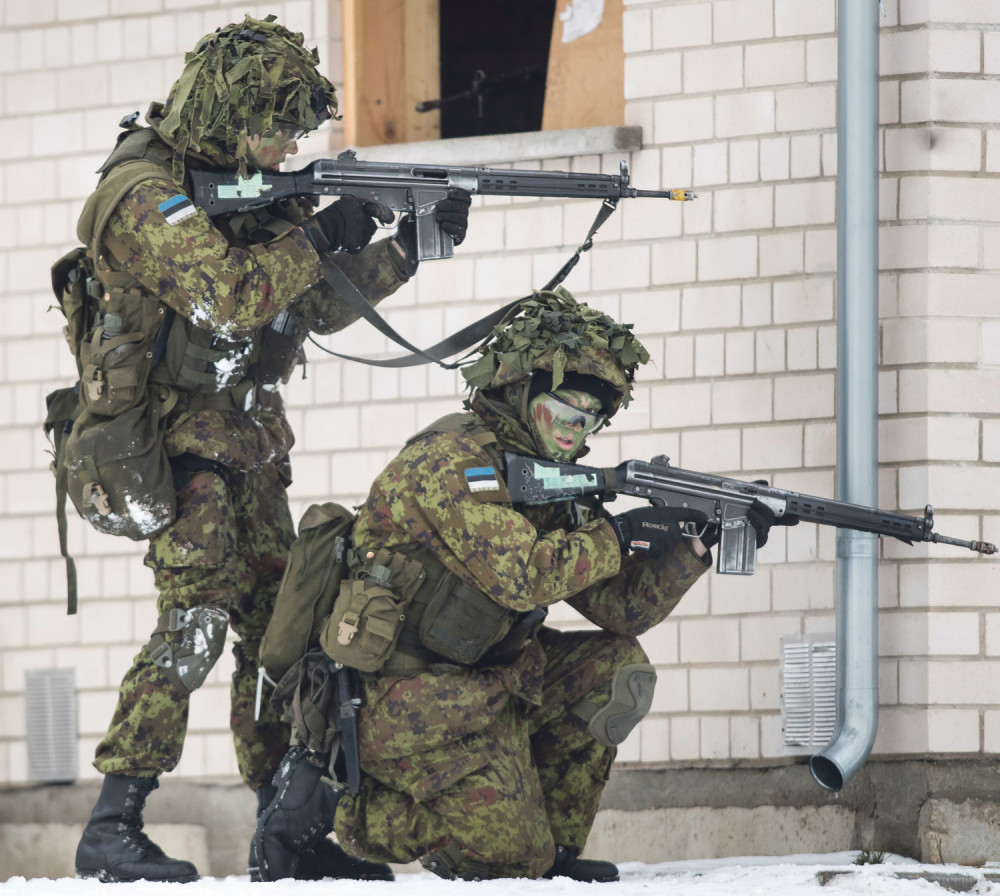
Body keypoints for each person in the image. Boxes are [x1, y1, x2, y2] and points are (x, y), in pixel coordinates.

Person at [69, 15, 470, 884]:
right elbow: (228, 296)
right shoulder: (144, 192)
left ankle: (281, 831)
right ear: (225, 111)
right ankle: (112, 825)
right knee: (196, 624)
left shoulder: (248, 188)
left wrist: (405, 246)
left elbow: (313, 307)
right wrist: (322, 231)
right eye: (275, 126)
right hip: (177, 451)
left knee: (277, 637)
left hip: (247, 446)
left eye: (296, 131)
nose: (286, 145)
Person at [250, 288, 789, 881]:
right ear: (519, 392)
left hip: (489, 680)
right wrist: (625, 532)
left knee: (617, 670)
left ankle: (554, 854)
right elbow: (525, 574)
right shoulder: (451, 463)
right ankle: (349, 808)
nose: (574, 429)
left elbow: (619, 610)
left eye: (589, 418)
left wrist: (693, 546)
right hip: (405, 697)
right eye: (562, 409)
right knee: (506, 855)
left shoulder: (548, 482)